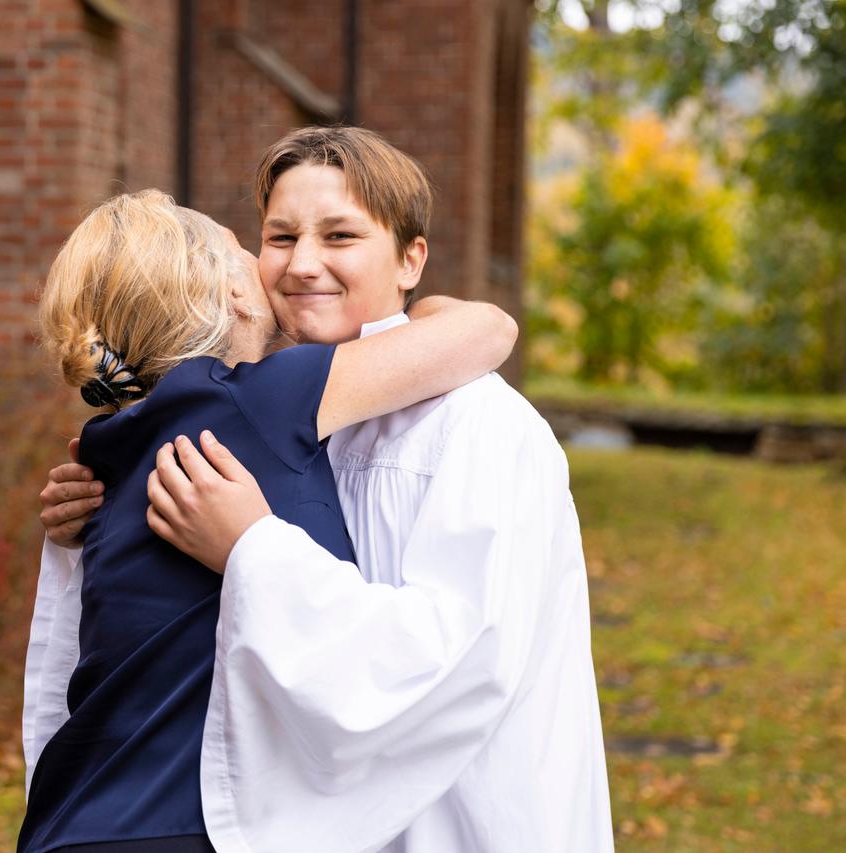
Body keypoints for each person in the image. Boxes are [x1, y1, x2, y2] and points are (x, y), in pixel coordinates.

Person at [38, 126, 614, 852]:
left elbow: (463, 658)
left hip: (451, 824)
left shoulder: (477, 425)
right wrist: (83, 520)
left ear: (411, 260)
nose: (303, 264)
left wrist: (253, 549)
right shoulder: (260, 414)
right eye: (280, 238)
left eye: (340, 236)